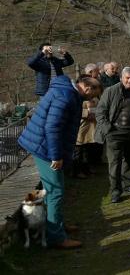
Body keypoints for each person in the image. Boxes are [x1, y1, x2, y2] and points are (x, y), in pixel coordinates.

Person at [18, 75, 101, 249]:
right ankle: (56, 237)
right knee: (55, 191)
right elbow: (52, 126)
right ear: (86, 88)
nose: (93, 98)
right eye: (93, 94)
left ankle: (56, 227)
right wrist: (56, 156)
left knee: (54, 190)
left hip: (43, 145)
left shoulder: (65, 90)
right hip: (45, 149)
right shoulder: (66, 96)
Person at [96, 67, 130, 203]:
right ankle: (115, 191)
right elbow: (100, 112)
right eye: (127, 78)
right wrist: (108, 129)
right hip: (115, 133)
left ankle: (127, 186)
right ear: (121, 78)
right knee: (115, 163)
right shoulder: (110, 91)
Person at [74, 74, 101, 178]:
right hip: (81, 129)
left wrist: (96, 113)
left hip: (91, 129)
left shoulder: (95, 99)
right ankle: (77, 171)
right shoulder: (79, 98)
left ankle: (87, 170)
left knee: (87, 152)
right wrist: (86, 113)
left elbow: (99, 109)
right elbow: (75, 111)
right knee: (78, 153)